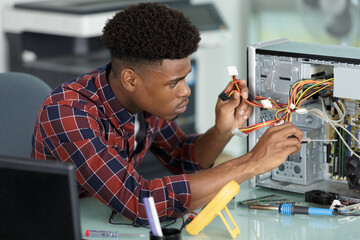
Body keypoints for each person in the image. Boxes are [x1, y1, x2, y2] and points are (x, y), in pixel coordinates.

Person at [31, 2, 302, 225]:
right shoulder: (68, 112)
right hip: (59, 225)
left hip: (105, 217)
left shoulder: (145, 103)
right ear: (130, 80)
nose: (186, 91)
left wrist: (222, 131)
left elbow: (184, 159)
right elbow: (140, 203)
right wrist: (252, 162)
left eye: (185, 78)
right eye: (173, 84)